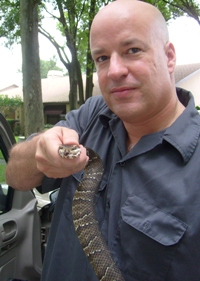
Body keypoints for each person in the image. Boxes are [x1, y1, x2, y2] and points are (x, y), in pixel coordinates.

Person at [5, 0, 200, 280]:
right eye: (102, 58)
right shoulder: (90, 117)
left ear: (169, 56)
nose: (115, 71)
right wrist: (40, 149)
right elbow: (16, 176)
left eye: (132, 50)